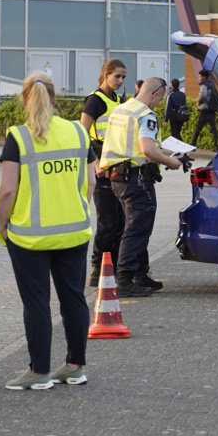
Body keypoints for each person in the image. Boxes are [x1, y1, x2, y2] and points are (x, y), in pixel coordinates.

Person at [0, 73, 93, 390]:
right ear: (56, 99)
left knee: (36, 303)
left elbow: (8, 191)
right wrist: (77, 208)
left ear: (24, 100)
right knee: (73, 300)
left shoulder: (19, 137)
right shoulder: (78, 131)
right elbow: (91, 181)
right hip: (74, 232)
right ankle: (75, 367)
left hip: (29, 237)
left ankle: (39, 372)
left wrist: (2, 224)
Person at [98, 76, 183, 298]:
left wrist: (163, 153)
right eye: (160, 99)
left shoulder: (122, 109)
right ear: (155, 94)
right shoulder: (146, 114)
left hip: (117, 177)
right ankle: (125, 279)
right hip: (136, 178)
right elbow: (147, 149)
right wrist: (171, 161)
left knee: (134, 226)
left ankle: (140, 274)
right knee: (137, 228)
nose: (158, 103)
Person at [80, 59, 126, 283]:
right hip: (102, 166)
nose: (120, 81)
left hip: (116, 164)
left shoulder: (118, 99)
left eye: (123, 77)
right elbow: (81, 135)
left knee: (120, 220)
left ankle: (114, 266)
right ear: (106, 74)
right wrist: (96, 164)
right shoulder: (94, 101)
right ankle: (97, 268)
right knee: (107, 222)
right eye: (117, 76)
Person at [195, 75, 218, 149]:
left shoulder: (203, 86)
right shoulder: (212, 85)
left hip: (204, 110)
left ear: (204, 78)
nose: (199, 78)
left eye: (200, 77)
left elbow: (202, 96)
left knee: (197, 128)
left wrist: (197, 101)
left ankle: (192, 145)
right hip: (212, 110)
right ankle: (216, 146)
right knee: (214, 129)